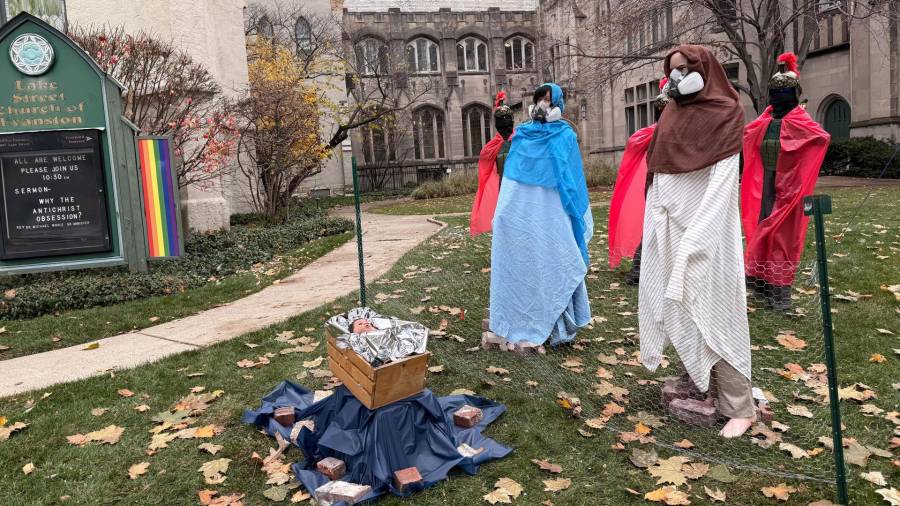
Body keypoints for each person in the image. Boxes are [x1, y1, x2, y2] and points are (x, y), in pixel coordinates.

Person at [638, 45, 755, 438]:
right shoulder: (671, 112)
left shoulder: (726, 113)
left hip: (708, 232)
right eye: (671, 69)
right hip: (670, 227)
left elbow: (723, 185)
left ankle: (739, 405)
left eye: (685, 69)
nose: (676, 76)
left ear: (705, 70)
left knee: (718, 311)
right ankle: (700, 381)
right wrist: (655, 225)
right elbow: (659, 171)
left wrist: (698, 239)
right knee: (681, 307)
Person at [488, 83, 592, 354]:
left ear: (559, 104)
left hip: (554, 213)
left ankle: (559, 327)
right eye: (539, 100)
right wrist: (505, 214)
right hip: (525, 215)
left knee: (555, 260)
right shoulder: (522, 135)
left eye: (549, 100)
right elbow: (512, 179)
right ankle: (519, 320)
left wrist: (572, 214)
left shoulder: (566, 136)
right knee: (526, 265)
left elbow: (572, 180)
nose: (544, 105)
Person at [741, 53, 830, 311]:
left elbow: (820, 137)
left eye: (784, 93)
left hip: (788, 185)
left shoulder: (801, 120)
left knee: (782, 234)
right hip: (765, 181)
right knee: (761, 223)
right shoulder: (765, 119)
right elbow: (749, 134)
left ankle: (779, 290)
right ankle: (759, 278)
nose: (778, 99)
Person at [607, 77, 670, 284]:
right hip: (658, 180)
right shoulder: (651, 134)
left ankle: (657, 269)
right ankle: (639, 269)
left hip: (674, 180)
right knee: (652, 222)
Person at [471, 91, 516, 236]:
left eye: (507, 121)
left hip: (517, 185)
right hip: (499, 186)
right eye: (501, 123)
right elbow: (485, 168)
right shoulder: (490, 148)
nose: (505, 126)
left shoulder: (520, 142)